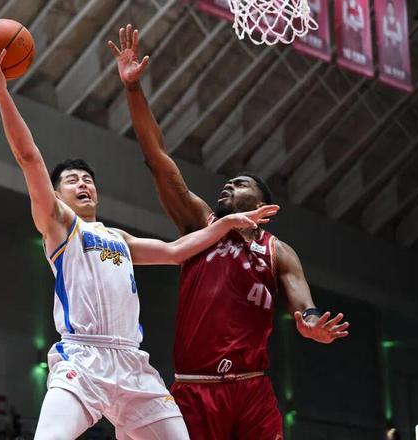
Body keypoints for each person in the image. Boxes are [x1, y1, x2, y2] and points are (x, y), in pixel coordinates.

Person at [0, 41, 279, 440]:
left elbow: (175, 252)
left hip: (133, 366)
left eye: (88, 179)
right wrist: (0, 91)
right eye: (72, 181)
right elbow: (28, 157)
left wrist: (227, 224)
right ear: (57, 194)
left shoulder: (117, 238)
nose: (83, 184)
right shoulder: (59, 224)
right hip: (82, 358)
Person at [110, 24, 350, 440]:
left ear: (262, 204)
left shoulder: (278, 251)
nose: (227, 186)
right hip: (196, 387)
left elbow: (304, 306)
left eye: (239, 184)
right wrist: (132, 89)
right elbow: (157, 157)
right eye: (228, 182)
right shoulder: (201, 225)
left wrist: (311, 325)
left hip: (251, 388)